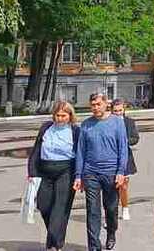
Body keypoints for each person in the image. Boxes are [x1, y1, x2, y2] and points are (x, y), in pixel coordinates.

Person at [72, 93, 128, 251]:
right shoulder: (86, 125)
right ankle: (94, 246)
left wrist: (121, 171)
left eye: (98, 104)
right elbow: (80, 151)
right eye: (93, 105)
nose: (95, 108)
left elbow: (123, 148)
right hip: (91, 173)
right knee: (92, 210)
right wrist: (78, 175)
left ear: (106, 104)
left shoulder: (117, 122)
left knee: (111, 208)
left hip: (111, 173)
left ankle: (111, 233)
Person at [28, 101, 80, 251]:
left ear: (70, 116)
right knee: (43, 205)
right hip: (44, 171)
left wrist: (79, 175)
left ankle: (56, 244)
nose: (60, 118)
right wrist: (31, 172)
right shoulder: (46, 127)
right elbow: (36, 150)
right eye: (57, 115)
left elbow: (81, 154)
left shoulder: (75, 131)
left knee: (60, 208)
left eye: (64, 115)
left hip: (66, 171)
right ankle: (54, 238)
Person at [110, 99, 140, 220]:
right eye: (115, 111)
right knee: (111, 187)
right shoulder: (107, 123)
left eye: (120, 110)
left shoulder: (129, 122)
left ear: (124, 110)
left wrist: (125, 141)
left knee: (123, 185)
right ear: (111, 111)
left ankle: (125, 208)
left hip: (125, 157)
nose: (118, 113)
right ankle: (112, 214)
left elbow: (135, 138)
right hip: (111, 157)